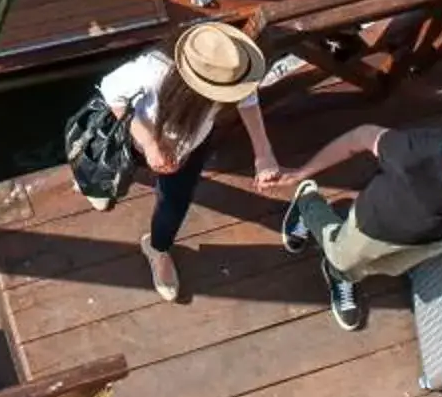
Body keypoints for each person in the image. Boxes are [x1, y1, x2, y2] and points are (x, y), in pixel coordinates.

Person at [81, 23, 290, 303]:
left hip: (190, 146)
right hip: (140, 134)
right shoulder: (154, 68)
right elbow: (111, 92)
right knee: (106, 168)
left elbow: (247, 98)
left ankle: (158, 248)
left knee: (175, 202)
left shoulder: (234, 67)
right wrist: (150, 144)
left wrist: (263, 152)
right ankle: (98, 187)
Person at [282, 117, 442, 330]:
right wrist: (303, 172)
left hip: (437, 237)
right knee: (341, 258)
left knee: (390, 268)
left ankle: (347, 274)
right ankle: (309, 203)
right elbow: (361, 136)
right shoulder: (413, 152)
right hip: (375, 226)